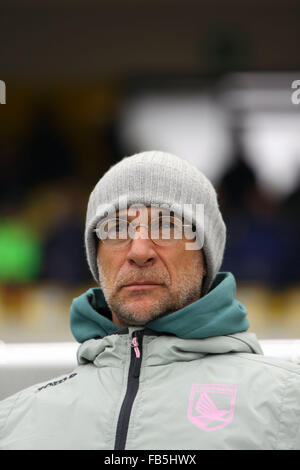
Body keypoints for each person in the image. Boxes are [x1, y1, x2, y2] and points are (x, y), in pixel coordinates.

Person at [0, 150, 300, 450]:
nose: (139, 250)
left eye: (167, 226)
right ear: (96, 256)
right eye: (117, 228)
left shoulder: (288, 405)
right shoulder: (16, 422)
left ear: (205, 258)